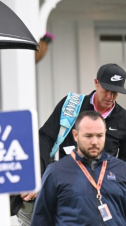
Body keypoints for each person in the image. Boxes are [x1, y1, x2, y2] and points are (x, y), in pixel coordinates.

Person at [13, 63, 126, 220]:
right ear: (96, 83)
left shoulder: (123, 119)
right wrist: (38, 175)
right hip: (66, 184)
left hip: (102, 191)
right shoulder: (72, 105)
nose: (110, 96)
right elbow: (45, 137)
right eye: (106, 89)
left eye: (116, 92)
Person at [31, 110, 126, 225]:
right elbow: (41, 220)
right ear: (75, 135)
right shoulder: (55, 172)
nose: (95, 142)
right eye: (88, 136)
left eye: (100, 135)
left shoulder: (122, 170)